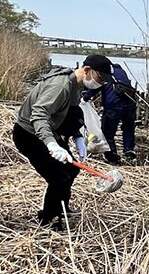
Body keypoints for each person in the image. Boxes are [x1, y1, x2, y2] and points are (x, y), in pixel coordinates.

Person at [12, 54, 114, 229]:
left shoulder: (76, 85)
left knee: (71, 169)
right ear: (87, 70)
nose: (102, 83)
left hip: (49, 132)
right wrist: (51, 144)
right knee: (60, 177)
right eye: (100, 78)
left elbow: (70, 114)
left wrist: (78, 137)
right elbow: (39, 115)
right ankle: (48, 218)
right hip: (29, 134)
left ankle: (61, 207)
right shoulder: (61, 86)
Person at [82, 62, 137, 165]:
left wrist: (84, 98)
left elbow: (95, 88)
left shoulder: (105, 73)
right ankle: (129, 152)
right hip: (130, 105)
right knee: (128, 129)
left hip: (113, 106)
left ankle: (113, 156)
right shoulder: (121, 72)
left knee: (107, 132)